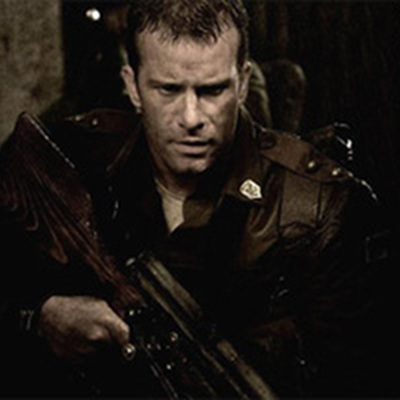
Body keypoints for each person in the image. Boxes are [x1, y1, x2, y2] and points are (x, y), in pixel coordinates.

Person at [0, 0, 389, 397]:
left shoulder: (320, 206)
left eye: (212, 90)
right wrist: (39, 319)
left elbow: (360, 378)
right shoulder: (77, 156)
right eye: (168, 90)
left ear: (243, 83)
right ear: (132, 86)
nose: (191, 118)